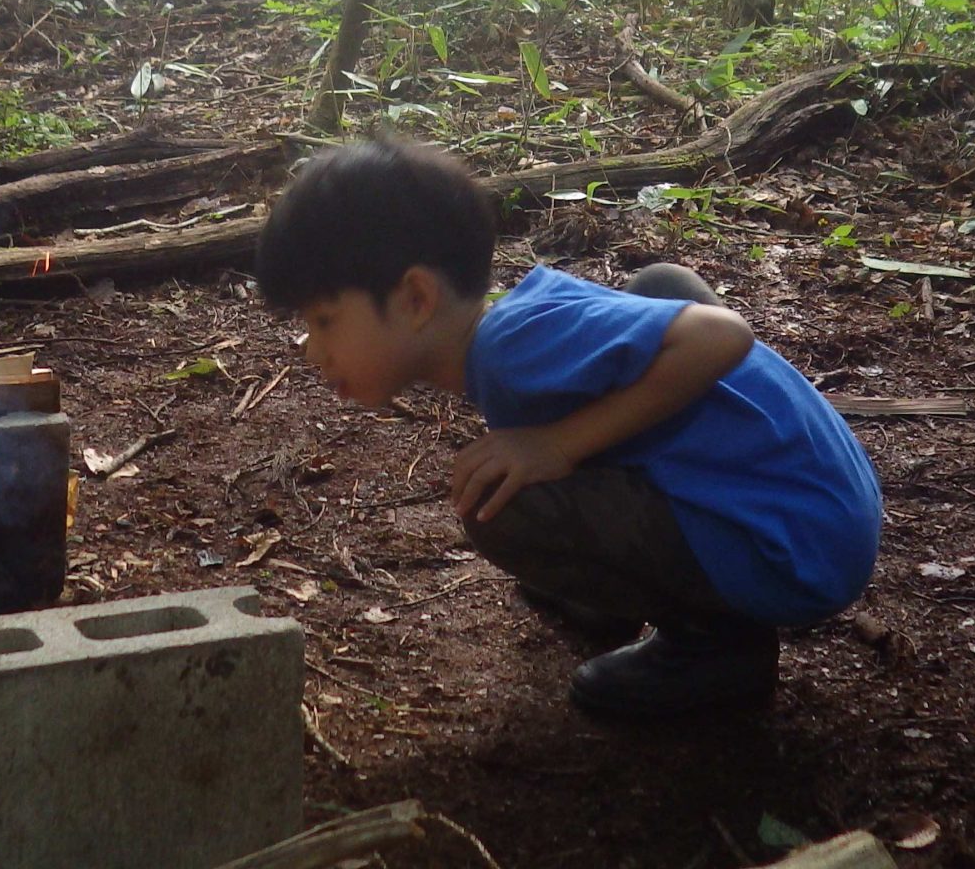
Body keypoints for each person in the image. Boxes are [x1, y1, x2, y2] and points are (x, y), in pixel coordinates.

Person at [254, 139, 882, 718]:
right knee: (659, 289)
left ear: (416, 299)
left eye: (326, 321)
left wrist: (555, 444)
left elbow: (723, 335)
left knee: (502, 503)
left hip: (795, 549)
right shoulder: (514, 333)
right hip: (816, 508)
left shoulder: (511, 349)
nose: (312, 350)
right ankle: (616, 597)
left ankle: (716, 645)